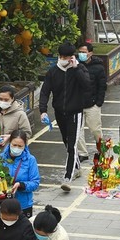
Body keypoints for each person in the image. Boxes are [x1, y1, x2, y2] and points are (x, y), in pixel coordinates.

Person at [37, 42, 93, 190]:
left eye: (66, 57)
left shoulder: (80, 68)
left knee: (73, 145)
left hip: (75, 112)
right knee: (67, 142)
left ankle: (68, 177)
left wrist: (76, 69)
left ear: (72, 57)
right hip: (59, 113)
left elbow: (87, 85)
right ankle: (78, 167)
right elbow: (44, 92)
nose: (63, 59)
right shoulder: (53, 72)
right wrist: (43, 110)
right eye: (61, 56)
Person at [74, 42, 108, 160]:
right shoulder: (75, 66)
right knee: (78, 131)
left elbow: (102, 86)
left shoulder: (98, 67)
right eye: (80, 52)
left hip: (92, 105)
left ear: (90, 53)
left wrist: (98, 103)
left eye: (84, 52)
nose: (82, 54)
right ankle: (82, 153)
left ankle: (102, 151)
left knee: (95, 130)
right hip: (77, 105)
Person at [1, 132, 41, 217]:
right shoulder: (1, 158)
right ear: (9, 143)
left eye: (20, 146)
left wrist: (21, 185)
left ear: (25, 146)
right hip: (3, 203)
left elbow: (35, 182)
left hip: (23, 205)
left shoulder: (30, 160)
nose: (16, 148)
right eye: (14, 145)